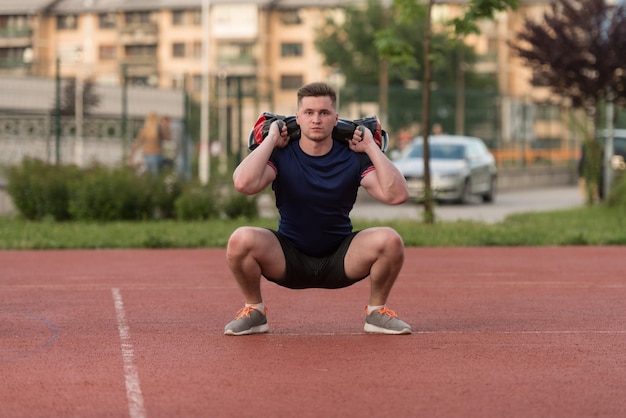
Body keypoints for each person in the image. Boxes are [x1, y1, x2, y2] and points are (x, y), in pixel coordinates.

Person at [224, 82, 412, 336]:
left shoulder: (352, 155)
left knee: (390, 240)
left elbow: (397, 194)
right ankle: (254, 311)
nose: (316, 120)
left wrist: (370, 147)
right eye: (309, 113)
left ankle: (376, 313)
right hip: (288, 257)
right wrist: (270, 139)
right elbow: (243, 184)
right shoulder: (281, 154)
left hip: (341, 258)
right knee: (240, 239)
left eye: (324, 113)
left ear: (336, 119)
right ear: (297, 118)